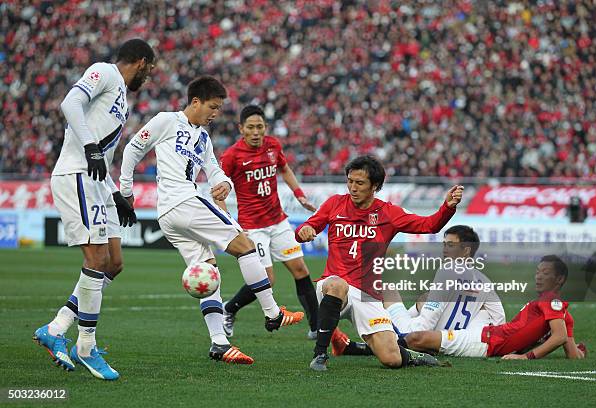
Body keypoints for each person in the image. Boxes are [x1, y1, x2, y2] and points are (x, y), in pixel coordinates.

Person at [119, 76, 304, 365]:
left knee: (208, 273)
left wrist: (224, 183)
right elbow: (133, 149)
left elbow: (214, 169)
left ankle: (219, 343)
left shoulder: (203, 137)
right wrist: (126, 191)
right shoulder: (166, 120)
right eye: (213, 107)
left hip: (170, 215)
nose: (215, 113)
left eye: (218, 108)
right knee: (245, 245)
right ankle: (273, 314)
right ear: (195, 102)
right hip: (183, 202)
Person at [33, 39, 155, 380]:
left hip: (98, 183)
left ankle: (57, 327)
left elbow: (105, 152)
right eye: (150, 69)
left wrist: (115, 193)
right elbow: (69, 103)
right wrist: (89, 147)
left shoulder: (122, 101)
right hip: (76, 174)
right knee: (97, 260)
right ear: (142, 62)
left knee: (113, 264)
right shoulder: (104, 72)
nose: (149, 76)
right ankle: (85, 345)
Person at [295, 155, 464, 371]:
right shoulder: (334, 203)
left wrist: (447, 207)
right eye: (350, 181)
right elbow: (303, 230)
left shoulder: (388, 213)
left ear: (375, 186)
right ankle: (320, 355)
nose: (353, 188)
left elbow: (428, 225)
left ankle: (404, 355)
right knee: (337, 285)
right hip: (333, 286)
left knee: (391, 359)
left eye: (360, 183)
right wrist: (304, 231)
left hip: (367, 294)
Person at [217, 105, 319, 339]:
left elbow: (285, 168)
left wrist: (299, 194)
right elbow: (218, 190)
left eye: (260, 127)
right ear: (241, 128)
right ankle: (229, 309)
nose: (255, 132)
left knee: (301, 269)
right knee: (267, 279)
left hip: (278, 221)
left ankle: (316, 327)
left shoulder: (273, 145)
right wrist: (228, 219)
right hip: (253, 227)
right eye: (250, 127)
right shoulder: (232, 156)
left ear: (265, 128)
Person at [332, 225, 506, 357]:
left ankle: (338, 319)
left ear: (466, 250)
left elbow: (426, 323)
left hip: (418, 333)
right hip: (450, 337)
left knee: (386, 290)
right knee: (424, 299)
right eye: (444, 244)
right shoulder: (485, 282)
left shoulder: (447, 271)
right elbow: (500, 320)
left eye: (451, 245)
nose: (445, 249)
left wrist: (412, 338)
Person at [405, 255, 587, 360]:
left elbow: (560, 336)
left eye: (545, 273)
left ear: (560, 279)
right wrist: (581, 351)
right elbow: (572, 354)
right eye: (537, 272)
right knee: (425, 325)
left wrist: (526, 357)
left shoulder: (552, 302)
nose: (538, 277)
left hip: (487, 341)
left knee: (417, 338)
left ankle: (382, 346)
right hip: (489, 335)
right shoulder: (562, 314)